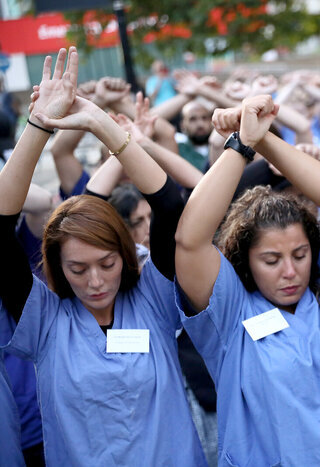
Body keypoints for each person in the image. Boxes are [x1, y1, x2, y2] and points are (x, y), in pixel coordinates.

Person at [0, 47, 206, 466]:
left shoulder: (153, 297)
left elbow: (169, 204)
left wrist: (100, 122)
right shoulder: (44, 319)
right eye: (78, 269)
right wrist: (39, 124)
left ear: (129, 255)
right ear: (57, 267)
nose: (95, 281)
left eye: (107, 264)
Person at [174, 95, 320, 466]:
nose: (290, 270)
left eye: (300, 254)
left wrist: (265, 138)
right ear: (244, 262)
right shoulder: (231, 315)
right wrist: (241, 145)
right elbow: (190, 239)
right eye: (271, 260)